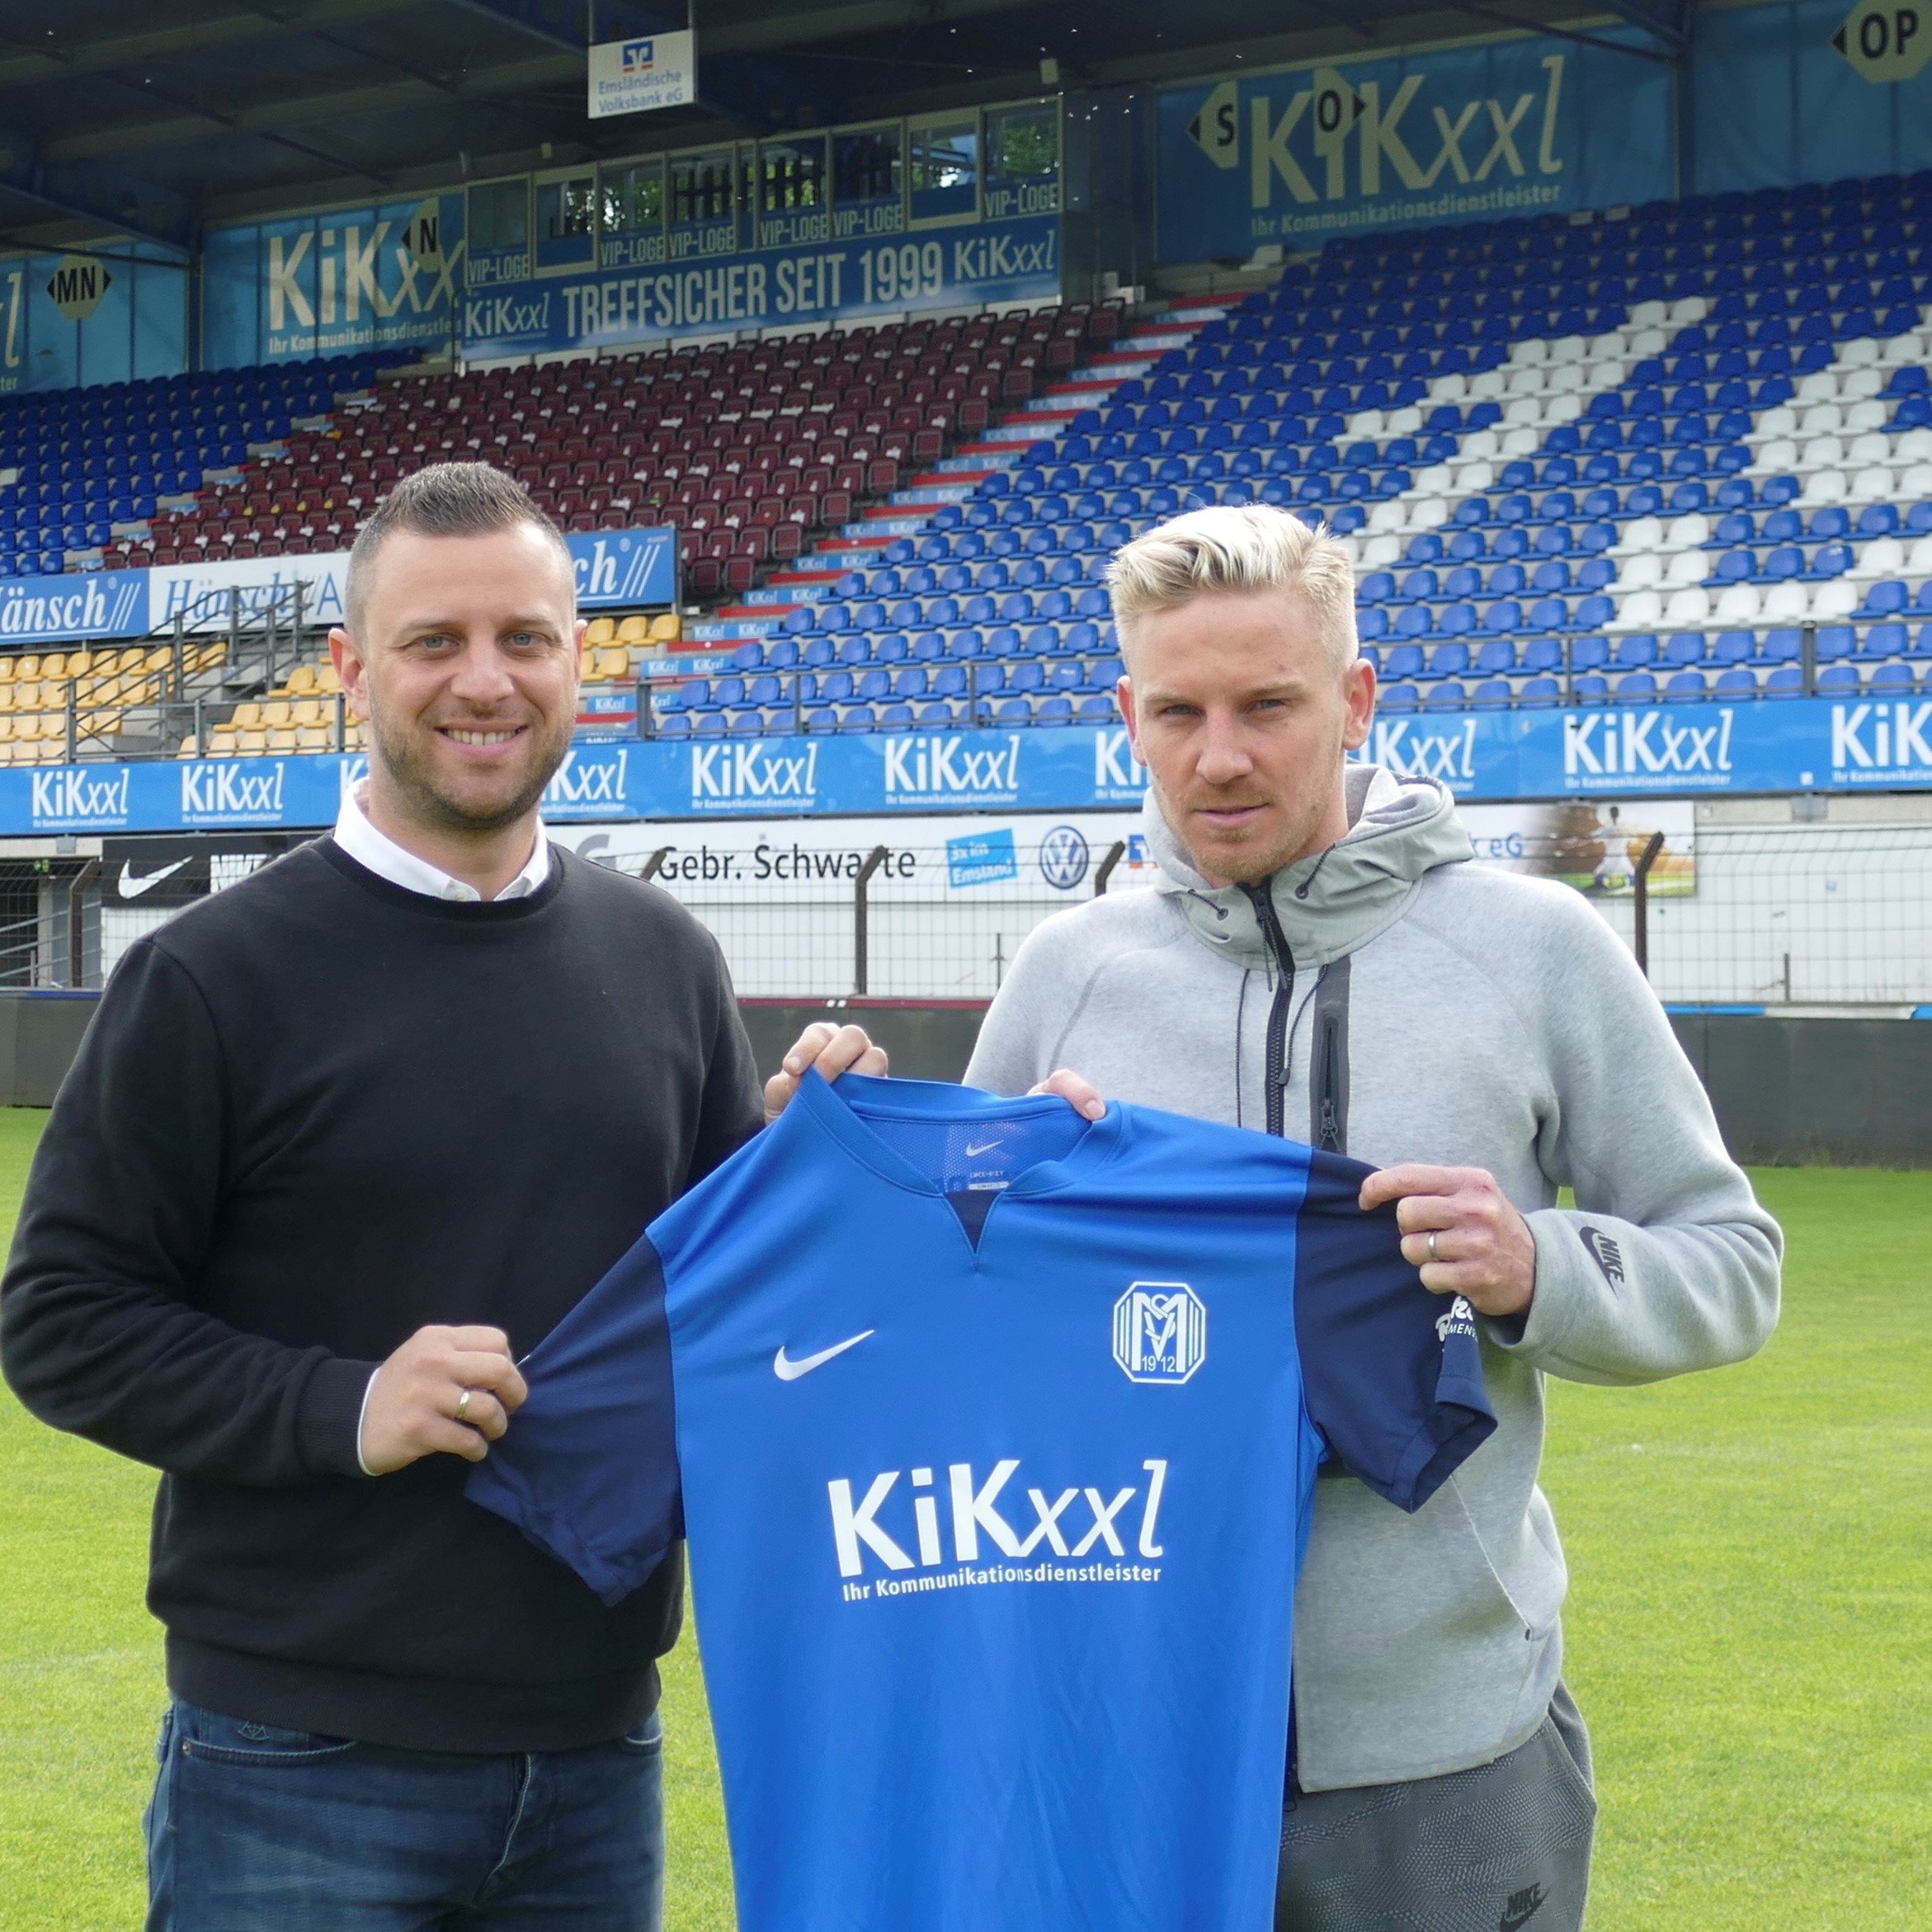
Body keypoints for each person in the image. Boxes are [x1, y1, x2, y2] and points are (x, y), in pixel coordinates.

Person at [0, 461, 877, 1932]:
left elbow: (733, 1312)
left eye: (526, 638)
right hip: (294, 1761)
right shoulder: (212, 978)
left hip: (598, 1748)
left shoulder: (666, 960)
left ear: (579, 660)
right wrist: (343, 1406)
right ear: (351, 669)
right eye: (434, 642)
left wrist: (815, 1163)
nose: (486, 680)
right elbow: (64, 1320)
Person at [959, 504, 1784, 1932]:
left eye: (1268, 705)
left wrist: (1539, 1269)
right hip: (1121, 1720)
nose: (1220, 755)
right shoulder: (1066, 971)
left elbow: (1730, 1260)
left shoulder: (1532, 948)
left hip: (1444, 1740)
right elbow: (952, 1297)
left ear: (1354, 701)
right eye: (1179, 711)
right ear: (1127, 718)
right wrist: (886, 1157)